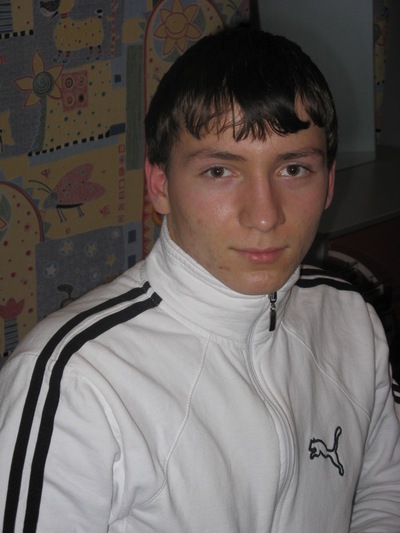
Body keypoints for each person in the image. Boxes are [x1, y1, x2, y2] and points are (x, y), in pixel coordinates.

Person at [1, 26, 399, 533]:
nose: (264, 215)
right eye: (219, 172)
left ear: (329, 184)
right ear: (160, 186)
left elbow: (382, 492)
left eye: (294, 169)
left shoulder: (351, 317)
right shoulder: (74, 381)